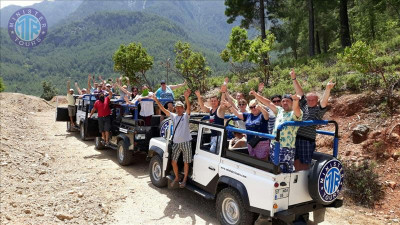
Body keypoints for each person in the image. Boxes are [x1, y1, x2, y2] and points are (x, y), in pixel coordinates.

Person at [290, 69, 335, 171]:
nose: (310, 101)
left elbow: (324, 102)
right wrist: (293, 78)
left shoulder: (317, 110)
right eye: (308, 99)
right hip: (296, 137)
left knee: (305, 163)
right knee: (295, 160)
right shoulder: (304, 105)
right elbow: (299, 92)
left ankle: (304, 182)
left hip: (307, 139)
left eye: (313, 100)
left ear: (316, 100)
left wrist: (328, 89)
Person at [252, 92, 303, 172]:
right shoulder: (280, 110)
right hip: (274, 145)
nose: (285, 103)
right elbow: (268, 103)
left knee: (284, 171)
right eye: (283, 101)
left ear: (292, 103)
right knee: (274, 168)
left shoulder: (294, 113)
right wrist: (256, 95)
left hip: (286, 147)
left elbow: (297, 110)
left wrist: (296, 101)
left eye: (288, 101)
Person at [153, 89, 192, 188]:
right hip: (176, 143)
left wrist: (187, 98)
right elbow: (163, 109)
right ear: (175, 108)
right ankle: (177, 177)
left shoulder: (186, 117)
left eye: (180, 108)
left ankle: (184, 180)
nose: (179, 109)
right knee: (173, 161)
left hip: (186, 142)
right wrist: (157, 101)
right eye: (177, 108)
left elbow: (189, 109)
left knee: (186, 162)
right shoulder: (174, 116)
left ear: (183, 109)